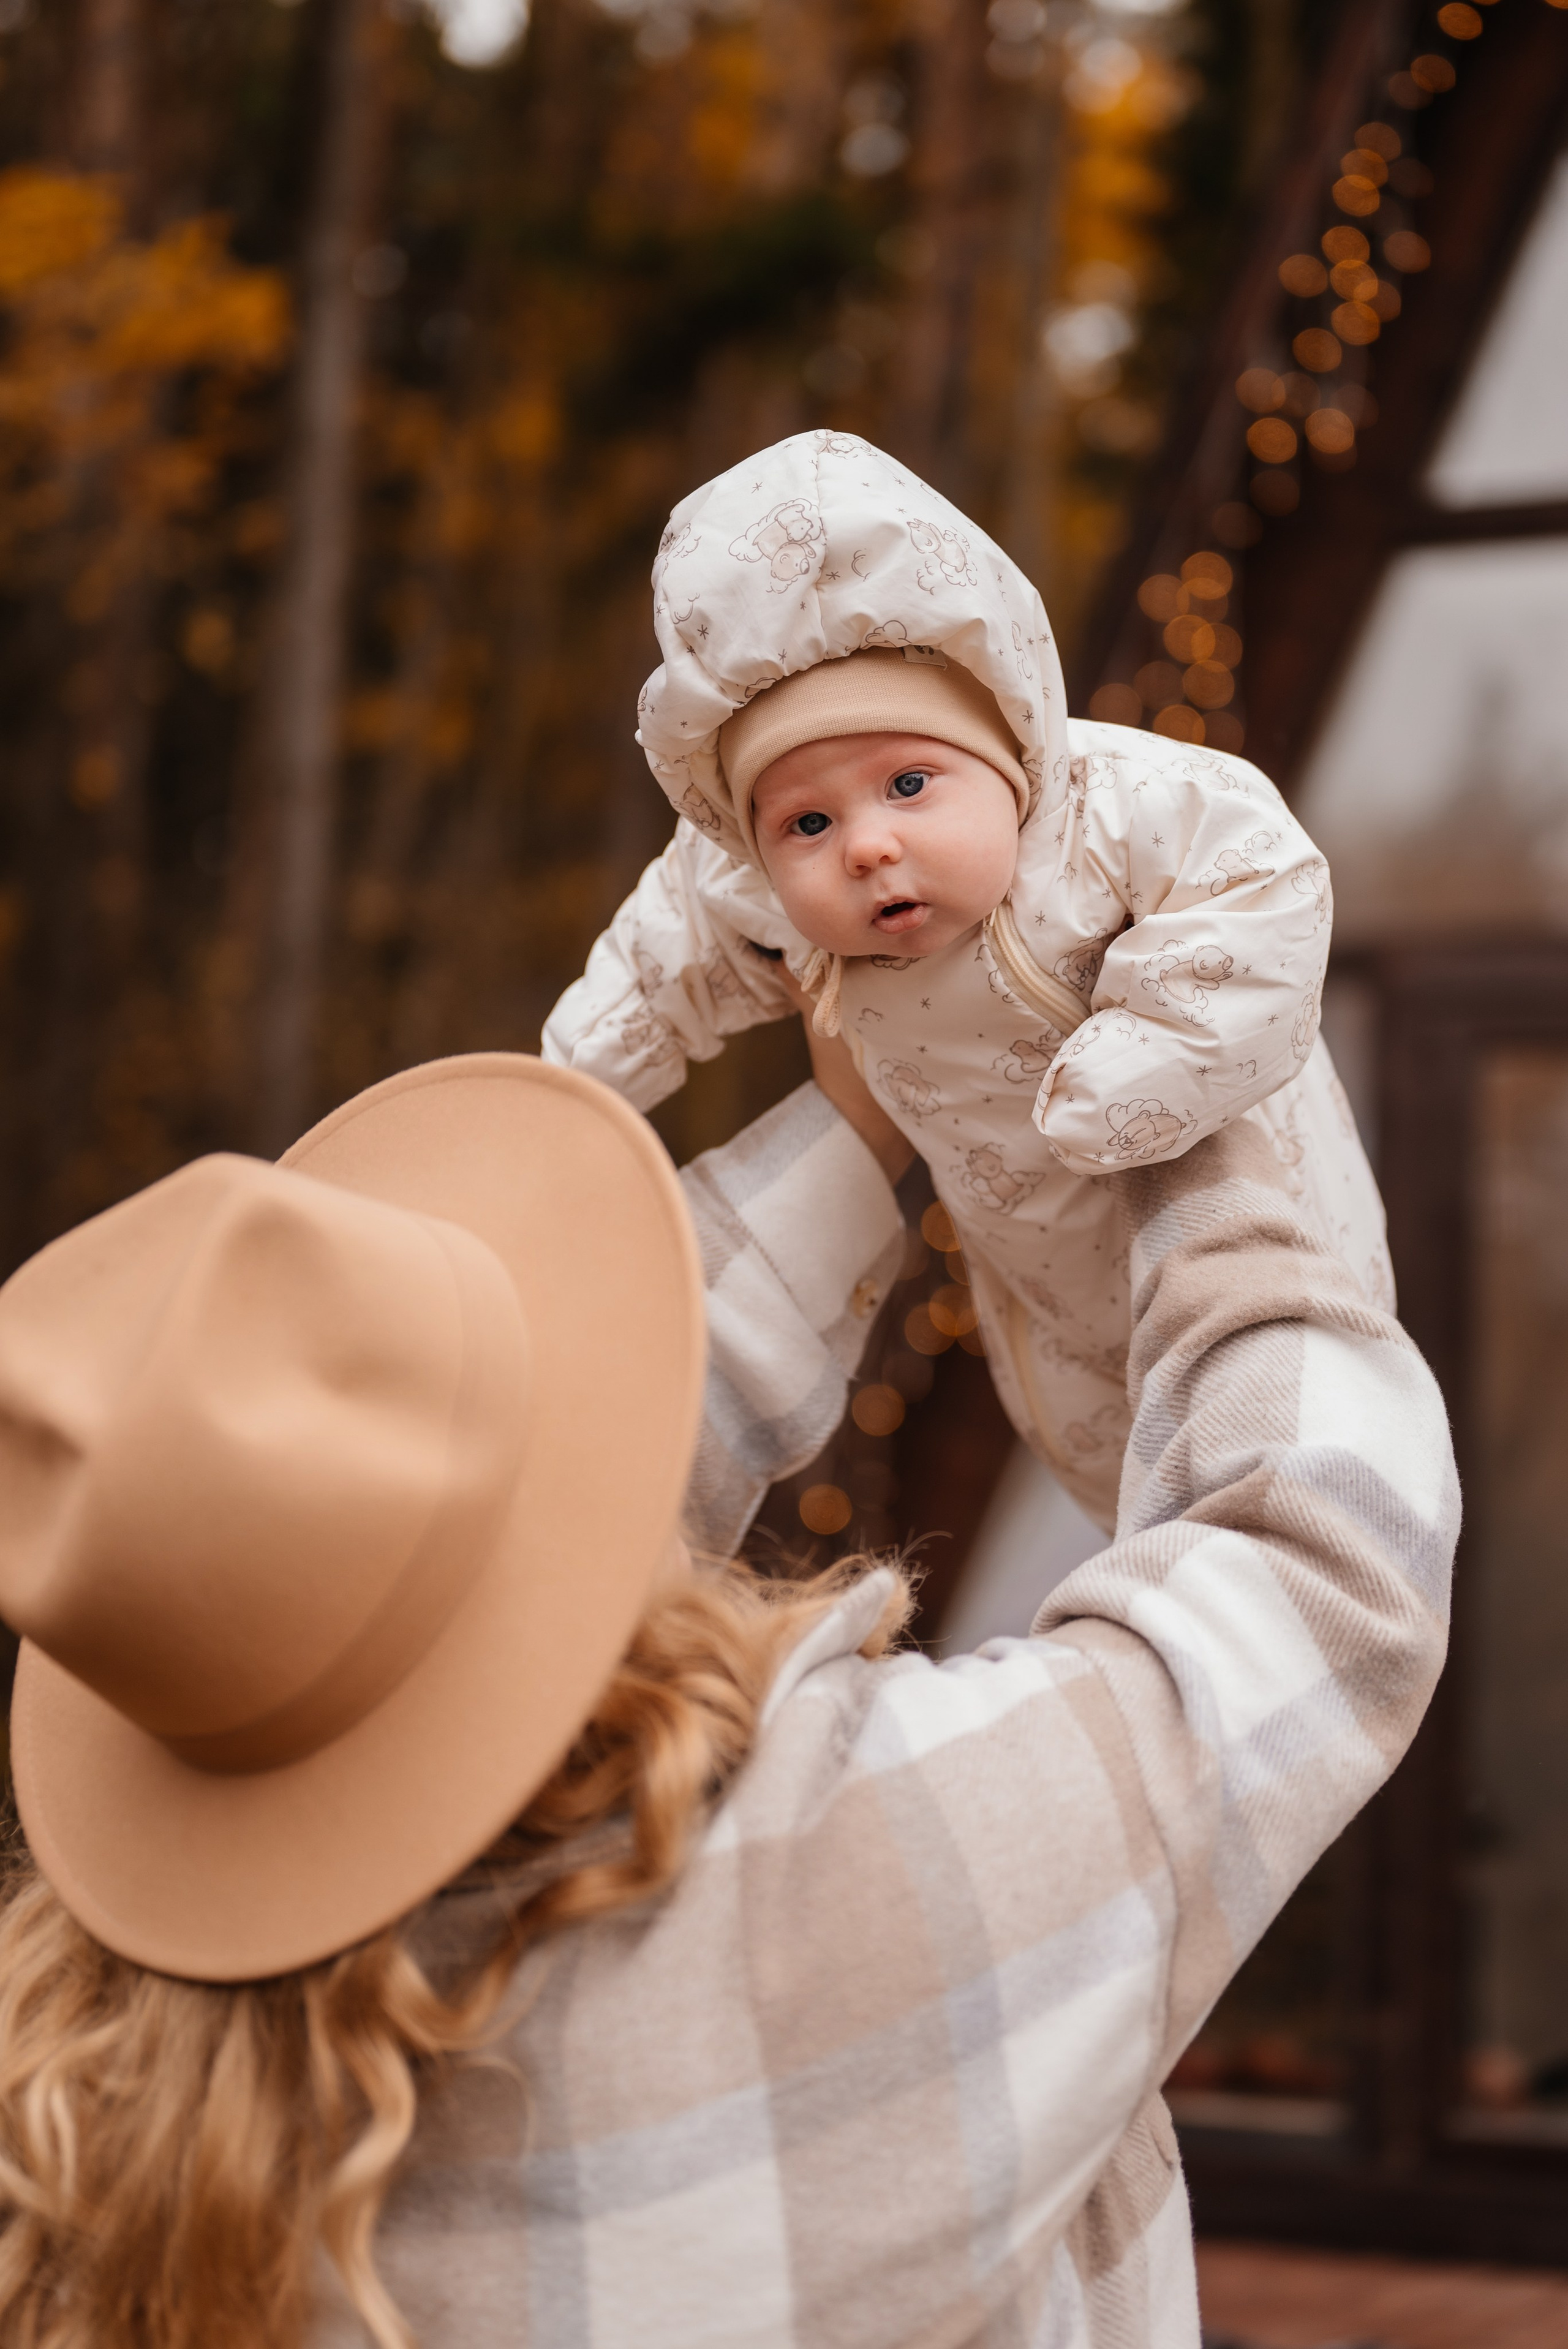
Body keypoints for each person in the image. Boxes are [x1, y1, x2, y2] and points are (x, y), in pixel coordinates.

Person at [0, 1022, 1455, 2349]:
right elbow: (1319, 1552)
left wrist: (864, 1104)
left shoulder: (96, 2097)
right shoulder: (823, 1890)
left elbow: (452, 1533)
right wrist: (1203, 1089)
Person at [543, 429, 1390, 1527]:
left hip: (1244, 1201)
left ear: (1002, 747)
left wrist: (1140, 1065)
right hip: (1035, 1276)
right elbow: (661, 953)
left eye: (907, 782)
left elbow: (1266, 887)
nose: (865, 846)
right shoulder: (745, 883)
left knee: (1290, 1443)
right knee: (1127, 1484)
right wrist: (575, 1083)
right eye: (808, 821)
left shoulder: (1114, 807)